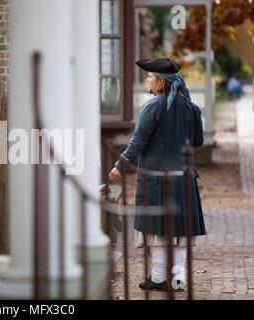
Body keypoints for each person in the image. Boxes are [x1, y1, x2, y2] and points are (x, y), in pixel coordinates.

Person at [108, 57, 206, 291]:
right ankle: (177, 276)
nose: (147, 80)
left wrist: (119, 166)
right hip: (184, 178)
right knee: (181, 228)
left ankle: (161, 277)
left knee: (158, 229)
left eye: (149, 76)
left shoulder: (150, 108)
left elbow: (137, 143)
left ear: (161, 82)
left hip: (155, 179)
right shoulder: (192, 108)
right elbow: (198, 141)